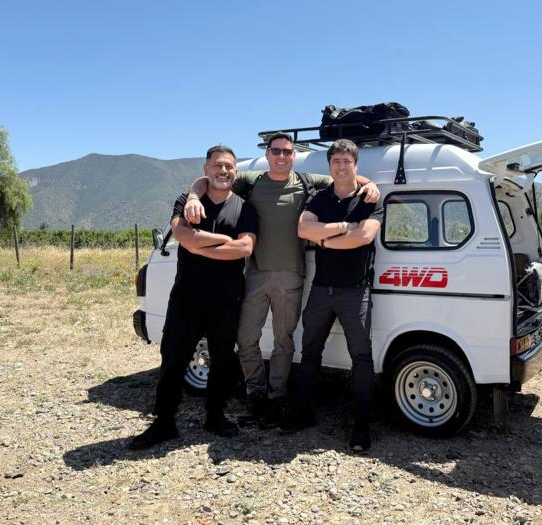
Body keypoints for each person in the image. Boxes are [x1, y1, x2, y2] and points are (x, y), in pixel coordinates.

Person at [183, 133, 379, 428]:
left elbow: (343, 176)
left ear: (293, 155)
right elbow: (208, 179)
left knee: (283, 342)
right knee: (246, 338)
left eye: (287, 151)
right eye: (276, 151)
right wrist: (192, 197)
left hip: (291, 275)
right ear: (267, 154)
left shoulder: (306, 181)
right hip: (256, 273)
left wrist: (370, 183)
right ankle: (256, 395)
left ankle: (276, 399)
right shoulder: (250, 181)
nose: (282, 156)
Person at [128, 145, 257, 450]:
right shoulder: (186, 202)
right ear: (206, 169)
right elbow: (183, 237)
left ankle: (216, 417)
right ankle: (163, 423)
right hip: (187, 297)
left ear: (235, 172)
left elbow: (244, 248)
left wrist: (201, 245)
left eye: (229, 166)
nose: (223, 171)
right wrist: (221, 240)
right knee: (173, 359)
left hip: (226, 298)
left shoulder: (245, 208)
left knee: (223, 360)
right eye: (217, 165)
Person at [280, 139, 383, 452]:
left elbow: (364, 236)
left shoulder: (370, 198)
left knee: (361, 357)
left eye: (346, 161)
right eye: (336, 161)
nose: (341, 166)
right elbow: (303, 230)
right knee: (310, 351)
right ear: (329, 166)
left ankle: (361, 426)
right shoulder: (320, 197)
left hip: (355, 289)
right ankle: (302, 412)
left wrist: (323, 237)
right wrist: (342, 228)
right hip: (321, 289)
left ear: (355, 165)